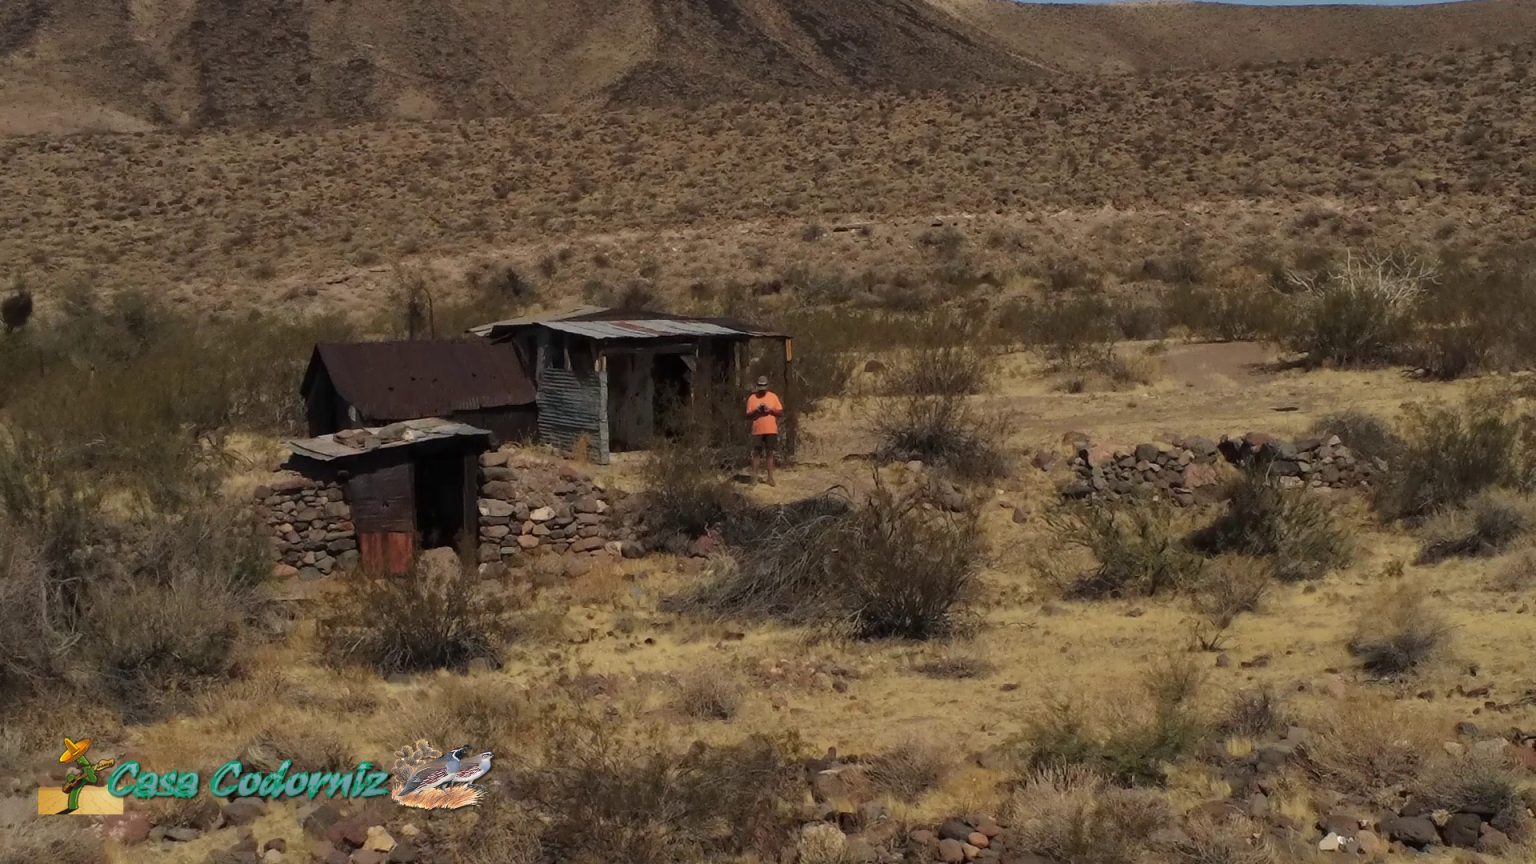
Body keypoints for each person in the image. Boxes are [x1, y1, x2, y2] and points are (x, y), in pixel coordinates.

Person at [745, 376, 784, 486]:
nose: (762, 388)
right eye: (760, 385)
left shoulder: (773, 397)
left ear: (767, 386)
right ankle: (754, 478)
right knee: (756, 454)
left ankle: (770, 478)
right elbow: (747, 415)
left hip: (771, 429)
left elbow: (780, 412)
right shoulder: (752, 398)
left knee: (770, 453)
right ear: (757, 386)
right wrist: (756, 410)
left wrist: (770, 410)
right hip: (757, 430)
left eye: (764, 385)